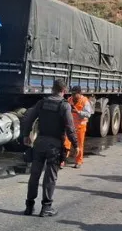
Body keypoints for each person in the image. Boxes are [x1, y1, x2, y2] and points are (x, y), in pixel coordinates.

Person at [20, 80, 79, 217]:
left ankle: (29, 206)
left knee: (34, 175)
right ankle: (46, 208)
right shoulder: (64, 106)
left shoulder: (42, 103)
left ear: (52, 89)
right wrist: (76, 145)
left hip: (40, 142)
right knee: (50, 177)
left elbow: (29, 118)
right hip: (55, 145)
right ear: (64, 91)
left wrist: (26, 135)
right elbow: (70, 128)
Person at [63, 85, 92, 169]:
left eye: (74, 94)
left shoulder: (85, 101)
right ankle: (63, 160)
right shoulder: (69, 100)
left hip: (80, 127)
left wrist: (78, 112)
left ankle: (78, 161)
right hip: (70, 126)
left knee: (79, 145)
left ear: (79, 93)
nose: (73, 95)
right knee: (66, 143)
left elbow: (88, 114)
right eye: (72, 93)